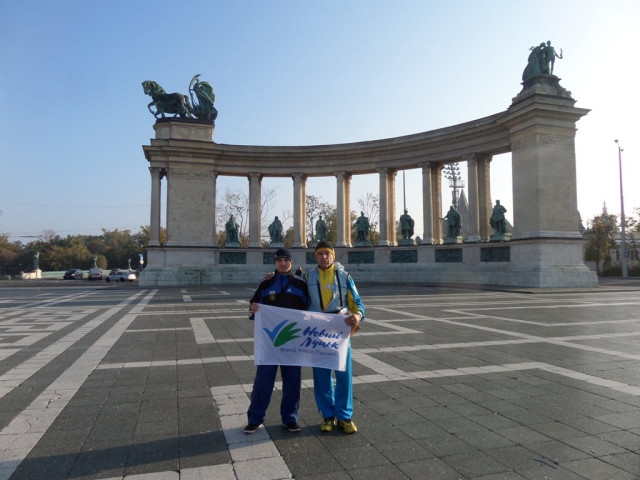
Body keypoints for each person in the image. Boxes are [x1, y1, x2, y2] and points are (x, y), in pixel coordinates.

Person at [245, 247, 309, 434]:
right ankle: (255, 418)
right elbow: (252, 307)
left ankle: (290, 418)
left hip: (293, 341)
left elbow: (309, 311)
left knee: (292, 382)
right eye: (279, 260)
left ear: (291, 262)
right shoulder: (266, 283)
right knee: (262, 382)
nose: (283, 263)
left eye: (286, 260)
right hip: (269, 342)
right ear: (275, 262)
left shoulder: (301, 284)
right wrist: (254, 309)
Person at [304, 241, 365, 434]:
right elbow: (293, 294)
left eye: (327, 253)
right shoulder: (307, 276)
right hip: (317, 330)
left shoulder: (345, 277)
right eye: (320, 254)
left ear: (333, 256)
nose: (324, 257)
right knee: (321, 375)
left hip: (339, 330)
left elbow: (357, 302)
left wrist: (358, 315)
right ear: (316, 257)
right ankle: (328, 415)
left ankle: (344, 416)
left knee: (343, 373)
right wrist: (271, 277)